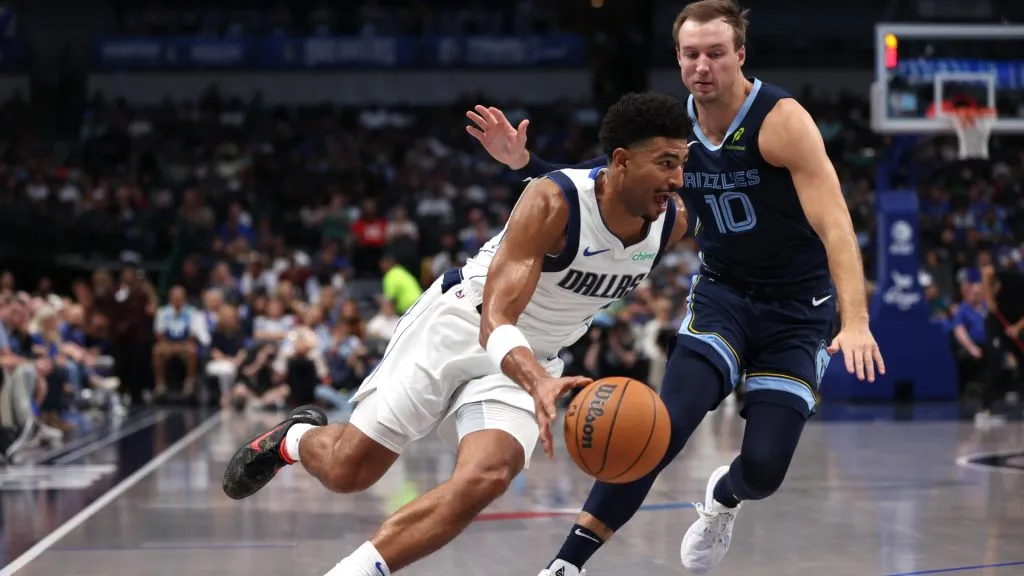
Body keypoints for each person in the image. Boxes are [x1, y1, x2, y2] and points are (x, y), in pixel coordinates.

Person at [466, 1, 884, 574]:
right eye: (691, 54)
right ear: (678, 59)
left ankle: (723, 499)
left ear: (740, 55)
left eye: (715, 53)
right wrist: (525, 163)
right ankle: (566, 565)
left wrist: (855, 321)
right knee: (657, 428)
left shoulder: (781, 120)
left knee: (763, 469)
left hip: (798, 311)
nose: (703, 65)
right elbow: (599, 182)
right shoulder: (671, 126)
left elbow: (836, 223)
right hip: (724, 297)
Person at [221, 91, 692, 576]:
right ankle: (295, 438)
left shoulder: (672, 220)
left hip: (536, 357)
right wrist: (538, 383)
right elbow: (498, 320)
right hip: (462, 326)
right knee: (348, 471)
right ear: (620, 161)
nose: (677, 179)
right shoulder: (554, 201)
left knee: (485, 477)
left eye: (682, 162)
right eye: (665, 163)